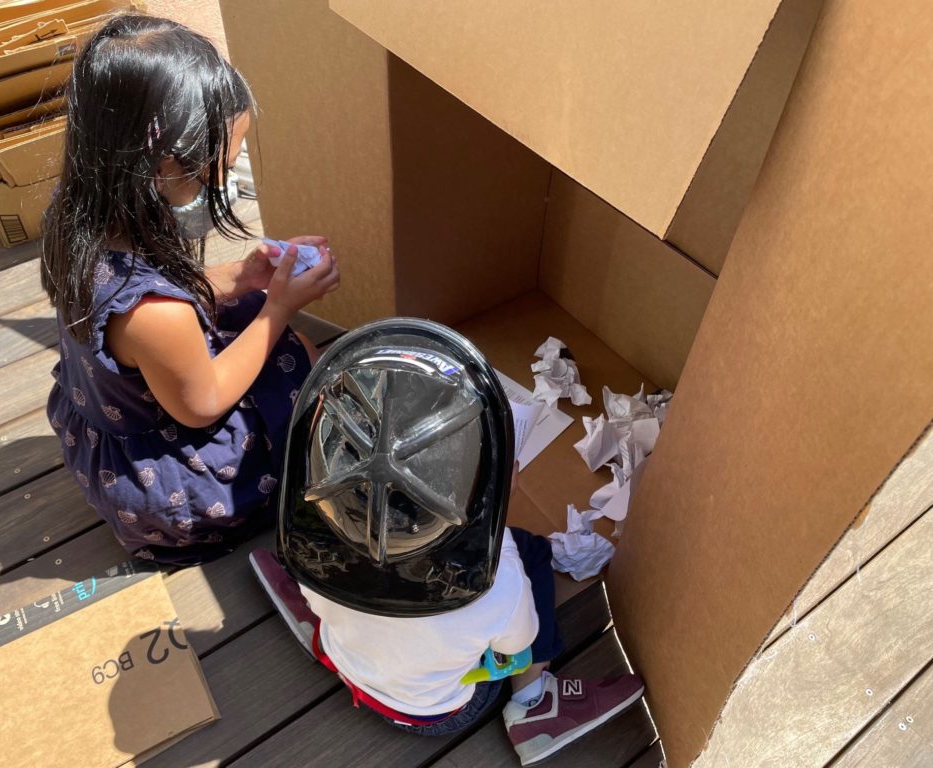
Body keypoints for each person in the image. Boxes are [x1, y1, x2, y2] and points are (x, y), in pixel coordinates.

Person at [251, 318, 644, 766]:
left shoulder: (307, 543)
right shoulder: (498, 580)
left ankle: (323, 632)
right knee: (533, 551)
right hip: (438, 712)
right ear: (500, 487)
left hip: (353, 668)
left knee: (341, 606)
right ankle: (535, 705)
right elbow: (516, 646)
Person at [41, 15, 340, 565]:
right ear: (162, 165)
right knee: (298, 364)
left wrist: (242, 278)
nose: (224, 180)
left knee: (252, 308)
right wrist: (280, 308)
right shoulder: (154, 311)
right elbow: (202, 405)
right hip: (170, 482)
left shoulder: (73, 211)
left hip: (112, 412)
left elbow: (155, 317)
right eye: (219, 168)